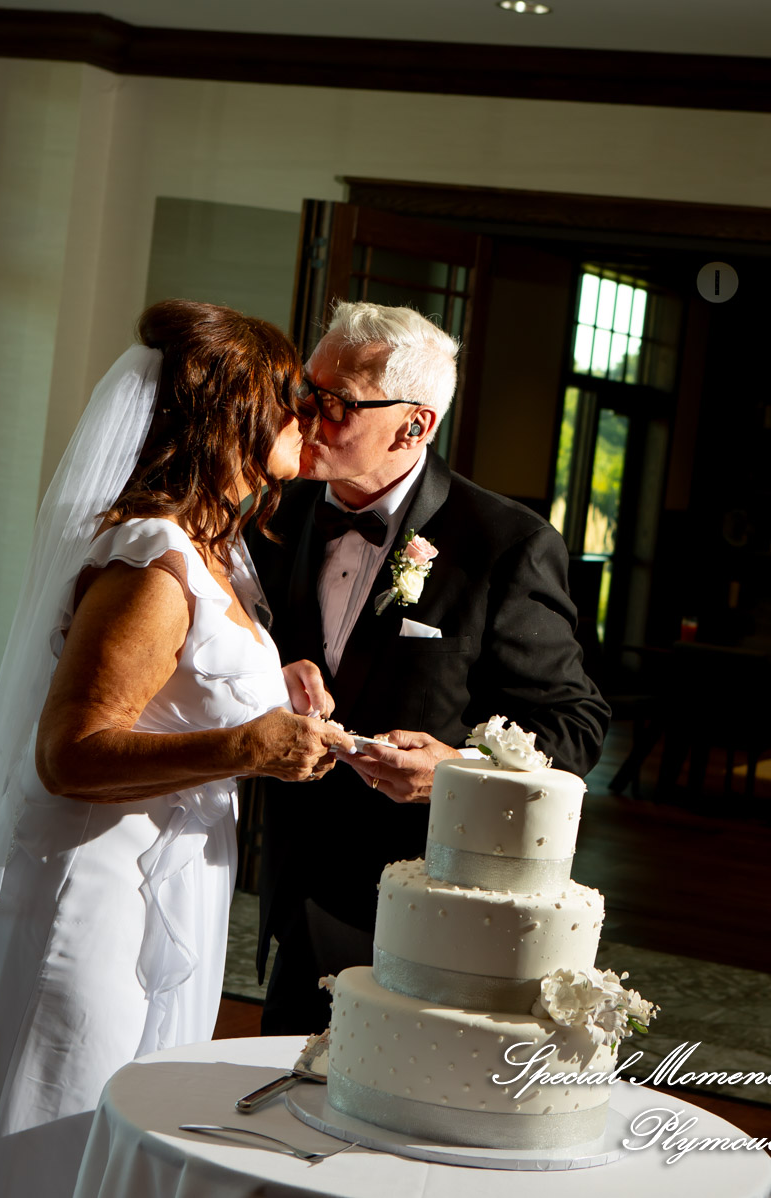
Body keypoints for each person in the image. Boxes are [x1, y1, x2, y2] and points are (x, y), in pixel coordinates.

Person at [0, 301, 350, 1197]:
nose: (304, 418)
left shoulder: (217, 551)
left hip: (169, 884)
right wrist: (246, 742)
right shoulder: (151, 564)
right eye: (286, 398)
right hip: (96, 898)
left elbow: (172, 693)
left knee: (113, 1113)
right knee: (49, 1116)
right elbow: (71, 753)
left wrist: (282, 688)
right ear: (227, 410)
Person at [250, 300, 612, 1035]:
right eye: (306, 392)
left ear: (416, 424)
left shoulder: (504, 545)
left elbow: (573, 724)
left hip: (421, 901)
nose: (308, 417)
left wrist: (457, 770)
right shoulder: (270, 512)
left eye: (338, 403)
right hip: (294, 877)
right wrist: (271, 668)